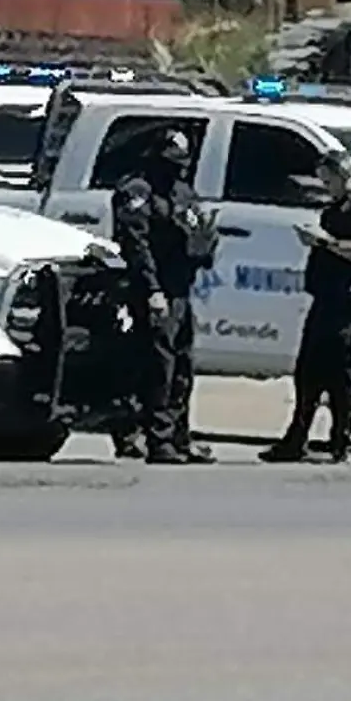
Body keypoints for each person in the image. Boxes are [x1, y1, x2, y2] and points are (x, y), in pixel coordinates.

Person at [261, 151, 351, 465]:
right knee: (308, 371)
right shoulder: (335, 207)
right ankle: (295, 440)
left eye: (329, 180)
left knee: (339, 371)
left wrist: (326, 242)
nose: (326, 186)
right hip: (325, 296)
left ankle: (341, 439)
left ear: (343, 174)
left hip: (347, 297)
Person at [111, 128, 220, 465]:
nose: (177, 169)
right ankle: (157, 439)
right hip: (152, 291)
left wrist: (205, 244)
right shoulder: (137, 192)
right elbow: (136, 245)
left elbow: (197, 231)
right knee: (158, 365)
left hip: (180, 289)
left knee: (182, 365)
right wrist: (153, 290)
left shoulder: (183, 193)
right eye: (171, 162)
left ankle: (179, 435)